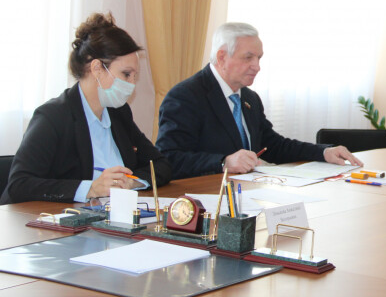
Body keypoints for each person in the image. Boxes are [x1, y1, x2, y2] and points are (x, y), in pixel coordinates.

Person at [1, 13, 171, 205]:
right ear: (97, 68)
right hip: (60, 219)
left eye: (134, 76)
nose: (132, 84)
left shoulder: (118, 113)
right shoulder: (53, 116)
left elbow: (160, 164)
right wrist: (90, 189)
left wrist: (132, 182)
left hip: (116, 214)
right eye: (126, 74)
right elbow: (19, 185)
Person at [156, 22, 361, 179]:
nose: (257, 66)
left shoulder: (249, 98)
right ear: (222, 57)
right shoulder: (185, 97)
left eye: (259, 58)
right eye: (248, 58)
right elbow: (169, 158)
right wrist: (223, 162)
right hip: (204, 200)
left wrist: (323, 152)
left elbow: (273, 146)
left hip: (247, 193)